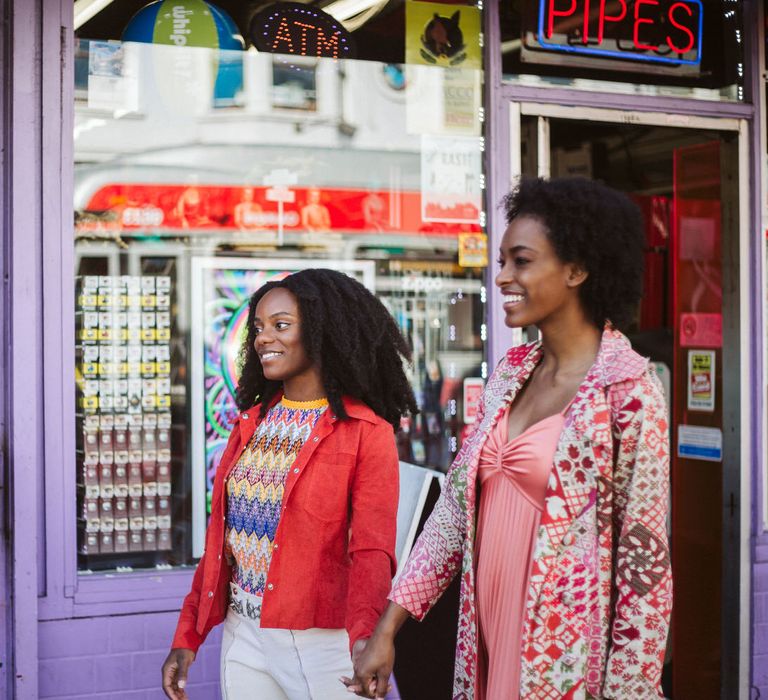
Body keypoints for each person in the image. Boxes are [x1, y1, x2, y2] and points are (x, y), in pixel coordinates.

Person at [345, 177, 672, 699]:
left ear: (577, 270)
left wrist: (629, 691)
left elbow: (644, 565)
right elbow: (451, 517)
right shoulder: (510, 373)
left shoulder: (628, 389)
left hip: (565, 660)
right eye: (501, 262)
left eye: (520, 261)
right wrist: (388, 629)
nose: (501, 277)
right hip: (486, 637)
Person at [162, 268, 417, 700]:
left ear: (322, 333)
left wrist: (366, 637)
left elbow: (372, 550)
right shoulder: (251, 424)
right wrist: (186, 638)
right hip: (244, 634)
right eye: (259, 328)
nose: (263, 338)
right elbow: (221, 542)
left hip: (321, 644)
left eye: (281, 326)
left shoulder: (365, 432)